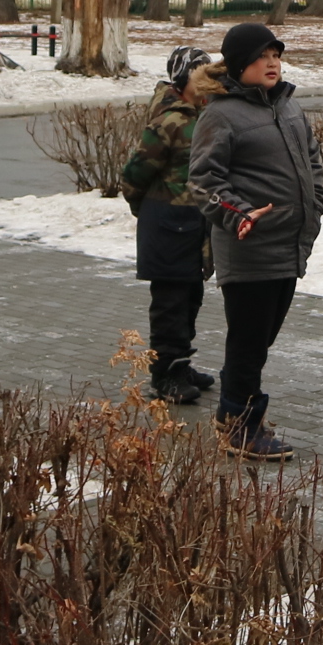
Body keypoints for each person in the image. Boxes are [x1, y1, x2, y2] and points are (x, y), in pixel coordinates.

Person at [190, 21, 323, 460]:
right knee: (248, 343)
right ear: (238, 65)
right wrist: (239, 213)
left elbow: (312, 161)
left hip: (290, 245)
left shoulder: (288, 107)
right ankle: (241, 427)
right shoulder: (220, 114)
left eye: (276, 55)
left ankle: (234, 413)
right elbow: (204, 180)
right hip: (248, 248)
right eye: (261, 57)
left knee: (259, 340)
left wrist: (315, 203)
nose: (272, 63)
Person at [121, 45, 222, 405]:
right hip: (167, 226)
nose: (209, 80)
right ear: (184, 79)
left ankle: (181, 363)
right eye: (201, 74)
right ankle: (164, 374)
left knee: (190, 296)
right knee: (170, 303)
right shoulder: (170, 120)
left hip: (193, 225)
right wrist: (149, 208)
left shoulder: (204, 114)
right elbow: (135, 173)